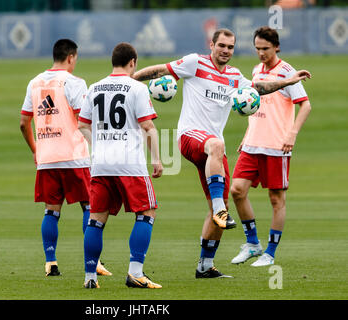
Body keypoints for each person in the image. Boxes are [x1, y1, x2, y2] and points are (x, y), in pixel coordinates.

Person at [132, 28, 311, 278]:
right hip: (191, 137)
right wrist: (130, 80)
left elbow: (258, 88)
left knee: (222, 202)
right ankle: (219, 210)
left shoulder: (235, 76)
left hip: (213, 151)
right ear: (212, 45)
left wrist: (288, 82)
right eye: (222, 46)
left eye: (230, 47)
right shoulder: (195, 63)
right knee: (217, 148)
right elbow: (160, 70)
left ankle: (205, 265)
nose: (226, 50)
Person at [20, 39, 111, 277]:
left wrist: (35, 150)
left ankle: (50, 262)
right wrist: (99, 147)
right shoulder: (74, 82)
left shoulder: (34, 83)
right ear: (71, 57)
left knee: (51, 211)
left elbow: (23, 122)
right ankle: (94, 263)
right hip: (75, 157)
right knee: (90, 209)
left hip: (47, 157)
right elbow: (84, 122)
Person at [78, 42, 163, 289]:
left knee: (96, 219)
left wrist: (99, 144)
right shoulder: (137, 88)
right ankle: (135, 273)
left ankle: (90, 277)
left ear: (112, 61)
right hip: (130, 165)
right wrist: (156, 159)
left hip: (101, 164)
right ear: (133, 62)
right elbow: (148, 127)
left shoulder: (95, 88)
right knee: (147, 213)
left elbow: (82, 124)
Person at [230, 26, 312, 267]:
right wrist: (246, 134)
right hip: (252, 144)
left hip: (277, 146)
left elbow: (305, 105)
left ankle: (270, 253)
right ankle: (253, 244)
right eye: (257, 49)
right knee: (236, 191)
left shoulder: (287, 72)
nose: (261, 54)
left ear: (276, 47)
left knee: (276, 200)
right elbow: (255, 106)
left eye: (265, 49)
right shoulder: (256, 71)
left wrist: (292, 134)